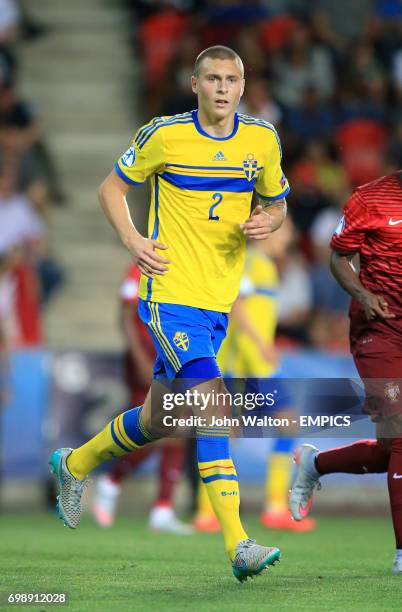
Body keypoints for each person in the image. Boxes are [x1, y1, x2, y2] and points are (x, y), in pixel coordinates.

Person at [49, 45, 290, 582]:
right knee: (212, 406)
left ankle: (75, 464)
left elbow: (278, 202)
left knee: (163, 419)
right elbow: (111, 187)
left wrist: (270, 220)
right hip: (170, 295)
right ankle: (238, 544)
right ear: (195, 83)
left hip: (219, 301)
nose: (223, 88)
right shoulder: (164, 134)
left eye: (232, 79)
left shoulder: (263, 140)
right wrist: (133, 240)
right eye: (212, 79)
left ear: (243, 85)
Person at [289, 170, 402, 573]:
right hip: (380, 331)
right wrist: (363, 293)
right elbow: (339, 258)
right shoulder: (370, 199)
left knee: (392, 450)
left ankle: (315, 465)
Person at [193, 218, 316, 533]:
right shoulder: (254, 261)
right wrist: (263, 346)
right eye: (287, 230)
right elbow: (238, 305)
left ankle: (208, 512)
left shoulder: (260, 263)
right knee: (284, 423)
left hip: (243, 361)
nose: (289, 236)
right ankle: (272, 507)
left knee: (225, 431)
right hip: (249, 362)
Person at [92, 263, 192, 534]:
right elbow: (125, 315)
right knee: (155, 429)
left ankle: (162, 509)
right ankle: (112, 480)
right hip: (147, 360)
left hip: (173, 358)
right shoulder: (141, 267)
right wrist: (137, 356)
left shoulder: (184, 263)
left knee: (179, 429)